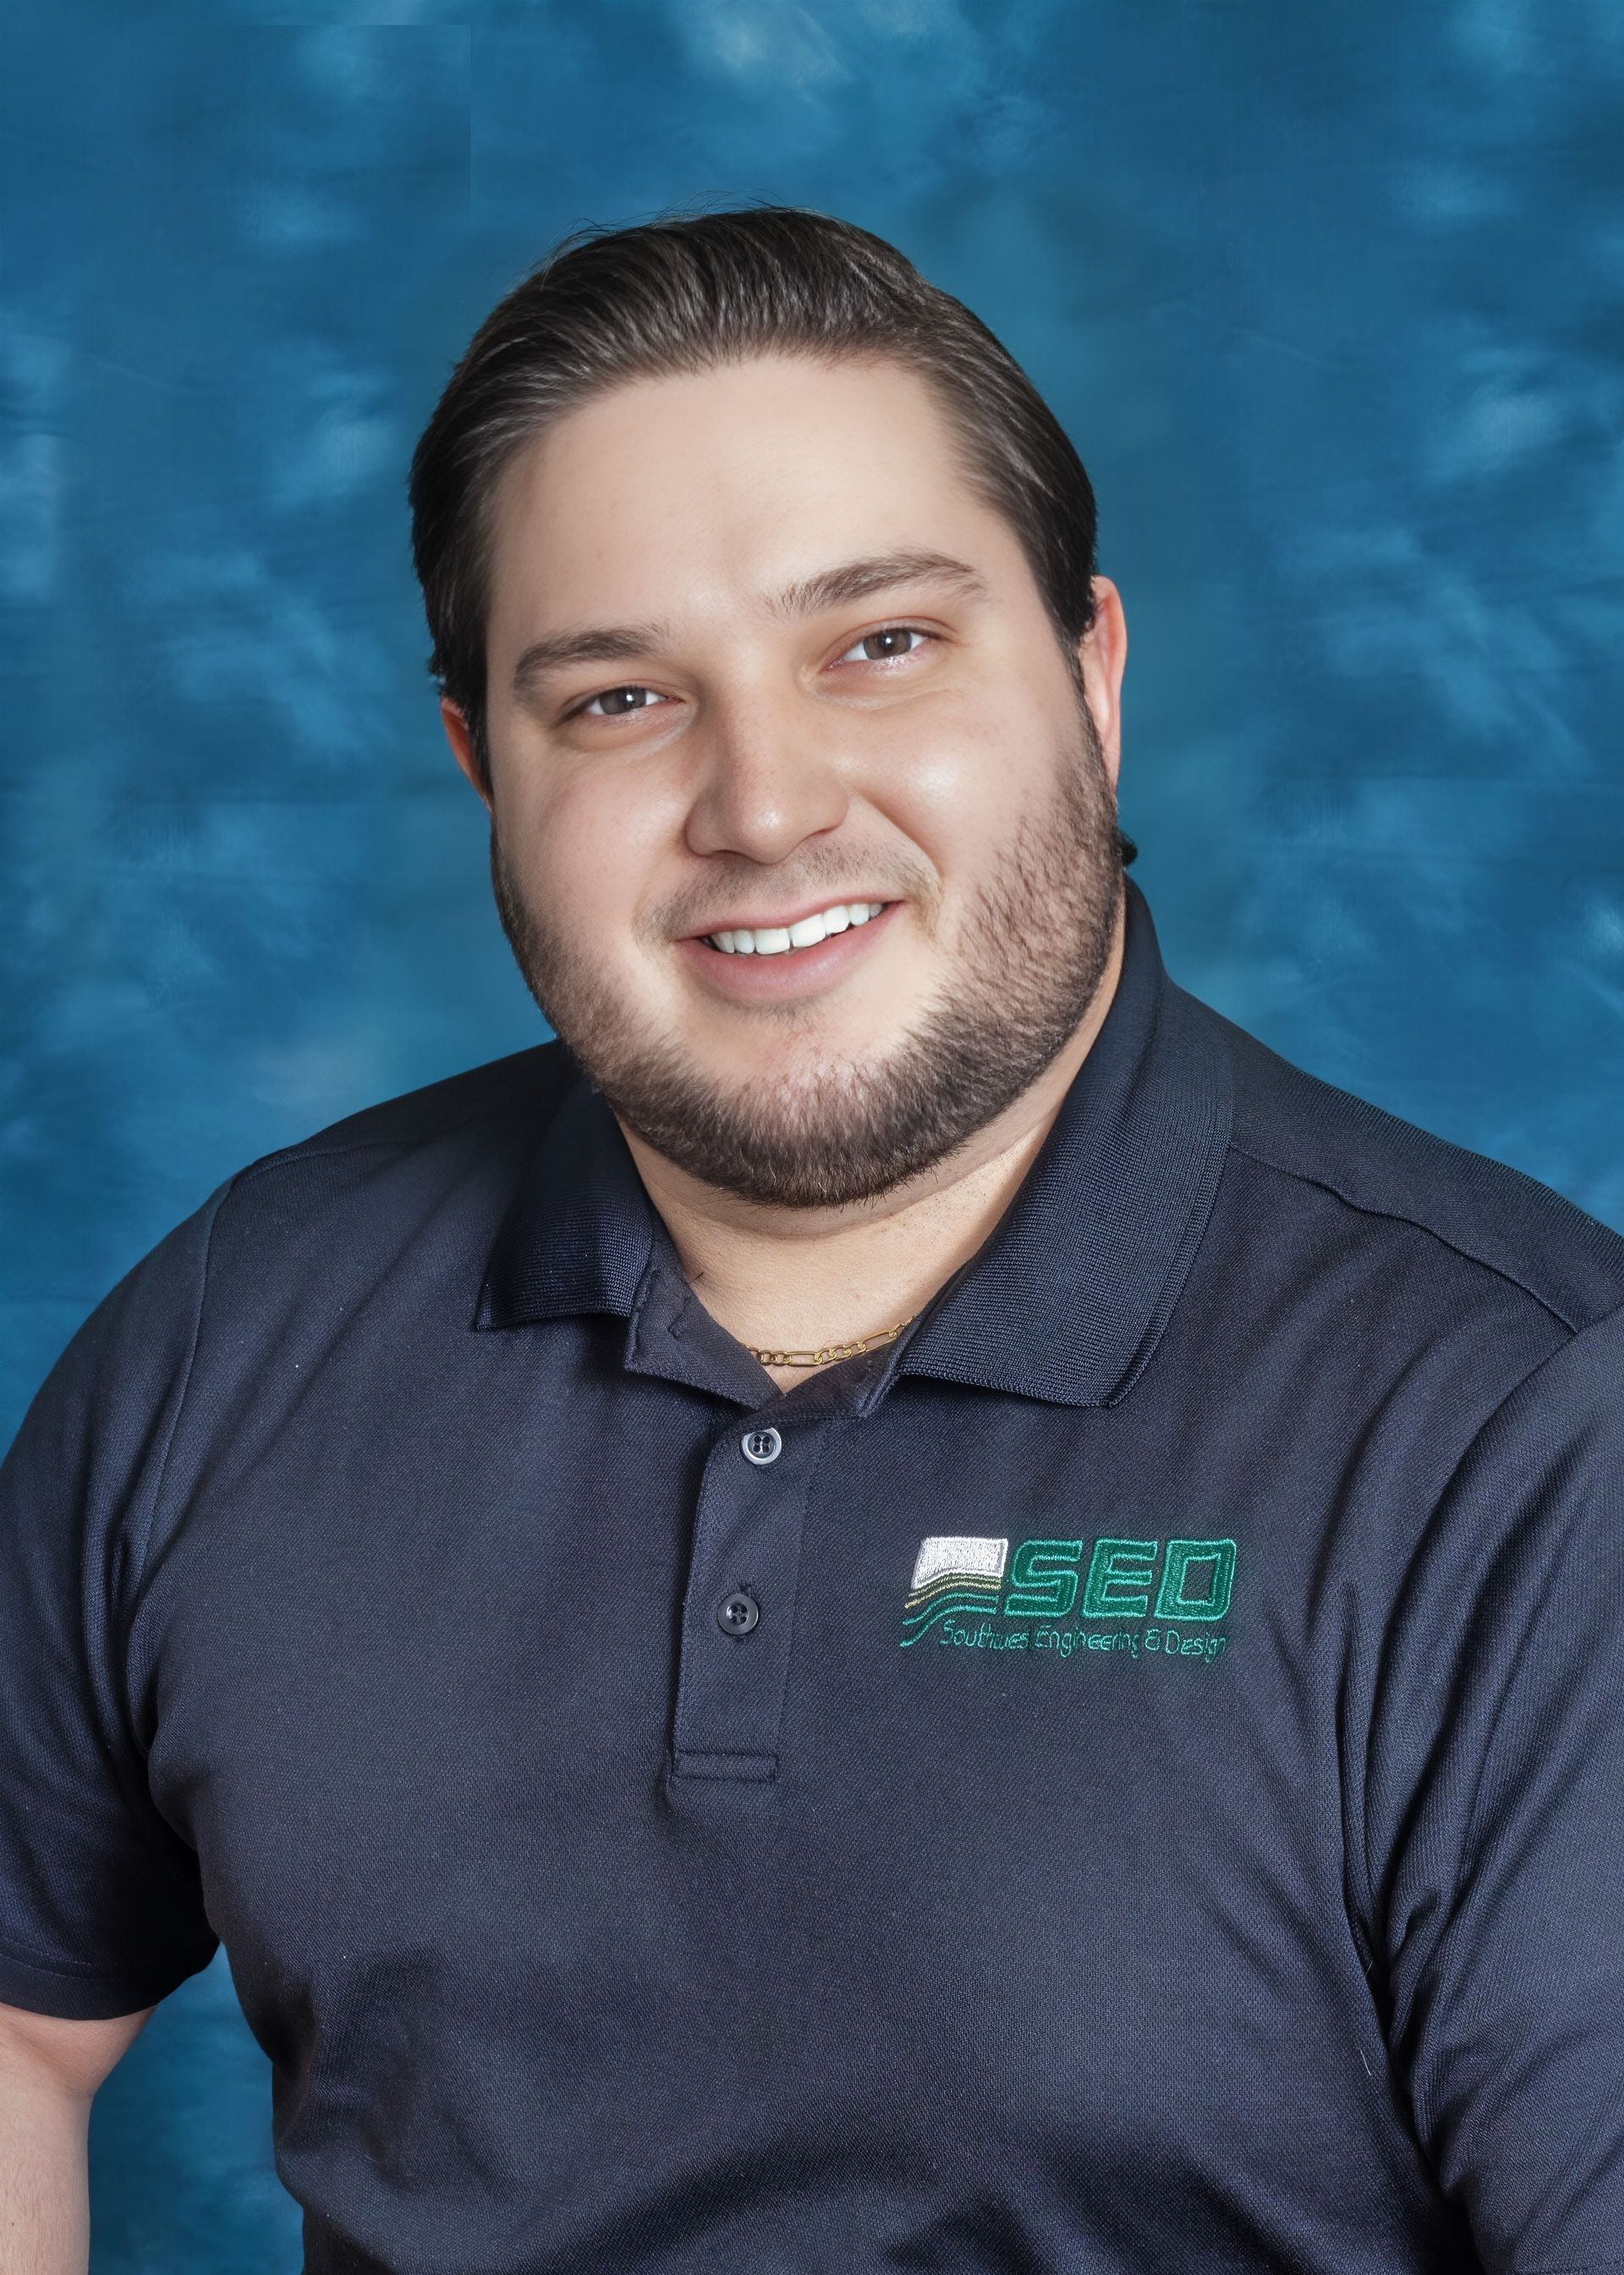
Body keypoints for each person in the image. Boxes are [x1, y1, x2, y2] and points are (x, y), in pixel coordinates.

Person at [2, 205, 1621, 2275]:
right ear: (478, 768)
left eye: (879, 644)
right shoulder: (240, 1328)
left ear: (1094, 675)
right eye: (613, 699)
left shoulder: (1526, 1432)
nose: (762, 804)